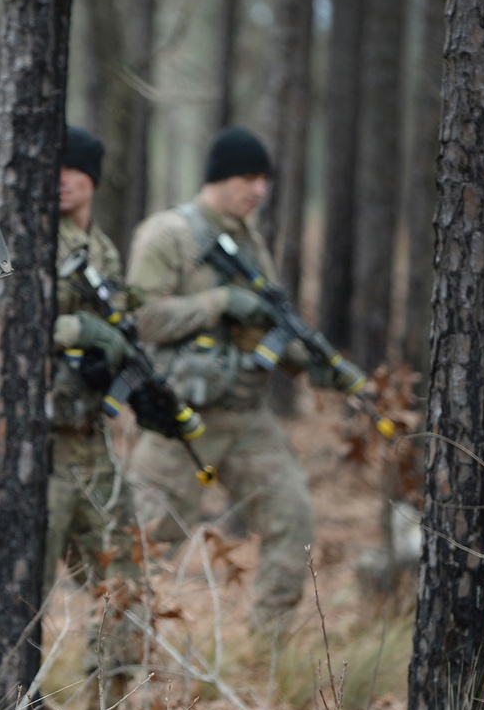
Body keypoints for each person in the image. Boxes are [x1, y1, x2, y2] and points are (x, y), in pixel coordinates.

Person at [126, 126, 356, 637]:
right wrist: (219, 303)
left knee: (292, 519)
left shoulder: (249, 239)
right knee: (144, 540)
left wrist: (310, 363)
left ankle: (265, 654)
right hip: (183, 421)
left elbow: (263, 327)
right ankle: (114, 666)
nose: (259, 190)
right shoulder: (169, 235)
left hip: (248, 417)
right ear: (220, 177)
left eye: (264, 180)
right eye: (249, 178)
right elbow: (140, 318)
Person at [48, 125, 143, 710]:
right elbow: (11, 324)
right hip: (37, 443)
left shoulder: (103, 252)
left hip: (90, 437)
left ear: (92, 179)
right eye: (53, 169)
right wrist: (84, 334)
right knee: (22, 582)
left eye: (73, 170)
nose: (61, 180)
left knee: (122, 570)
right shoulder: (32, 240)